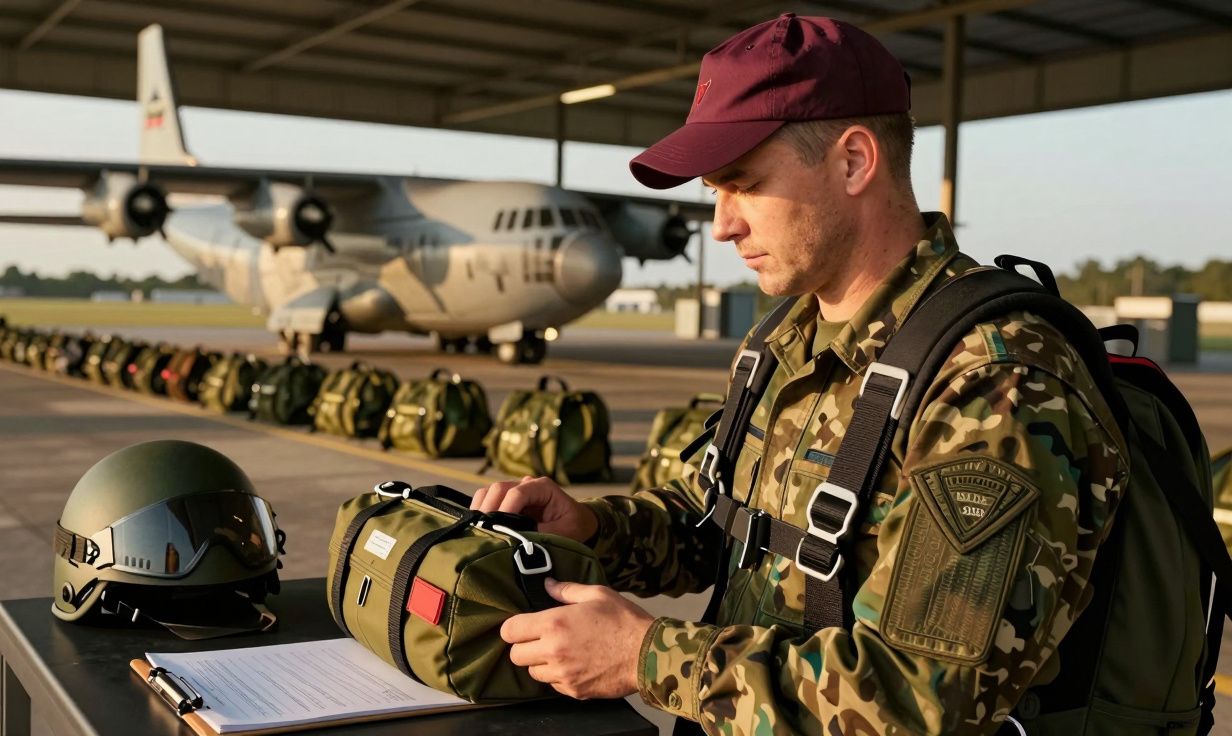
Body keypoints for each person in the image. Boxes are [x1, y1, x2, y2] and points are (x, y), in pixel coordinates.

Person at [473, 13, 1127, 735]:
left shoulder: (993, 383)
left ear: (853, 162)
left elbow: (921, 701)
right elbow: (717, 525)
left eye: (743, 184)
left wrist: (646, 658)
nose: (721, 225)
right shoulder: (785, 338)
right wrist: (593, 529)